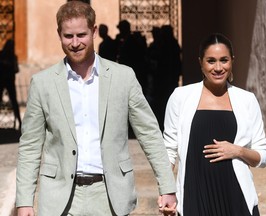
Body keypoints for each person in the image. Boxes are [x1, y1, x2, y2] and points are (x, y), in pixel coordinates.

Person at [16, 1, 176, 216]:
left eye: (81, 35)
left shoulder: (123, 77)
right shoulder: (43, 83)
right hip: (59, 199)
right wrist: (24, 201)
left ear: (94, 32)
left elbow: (149, 133)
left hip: (110, 196)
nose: (75, 43)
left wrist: (167, 186)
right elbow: (30, 146)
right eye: (68, 36)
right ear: (59, 34)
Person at [163, 33, 266, 216]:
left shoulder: (247, 100)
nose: (218, 67)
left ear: (232, 61)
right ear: (201, 62)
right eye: (211, 61)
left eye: (224, 60)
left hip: (236, 198)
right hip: (194, 197)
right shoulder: (180, 97)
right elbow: (169, 149)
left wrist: (238, 151)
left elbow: (263, 156)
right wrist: (166, 191)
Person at [0, 39, 22, 130]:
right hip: (3, 81)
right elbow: (16, 69)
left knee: (14, 102)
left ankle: (19, 122)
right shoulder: (4, 55)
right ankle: (19, 122)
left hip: (7, 81)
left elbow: (16, 69)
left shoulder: (11, 56)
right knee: (13, 101)